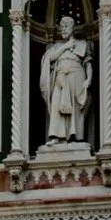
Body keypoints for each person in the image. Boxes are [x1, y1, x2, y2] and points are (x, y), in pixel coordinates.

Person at [41, 12, 91, 143]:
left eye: (66, 26)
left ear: (72, 28)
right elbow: (49, 59)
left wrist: (89, 79)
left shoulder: (82, 44)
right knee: (56, 105)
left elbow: (88, 64)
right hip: (60, 78)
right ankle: (56, 136)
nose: (63, 29)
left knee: (75, 108)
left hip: (77, 77)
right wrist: (65, 47)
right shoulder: (57, 46)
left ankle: (75, 136)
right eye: (61, 27)